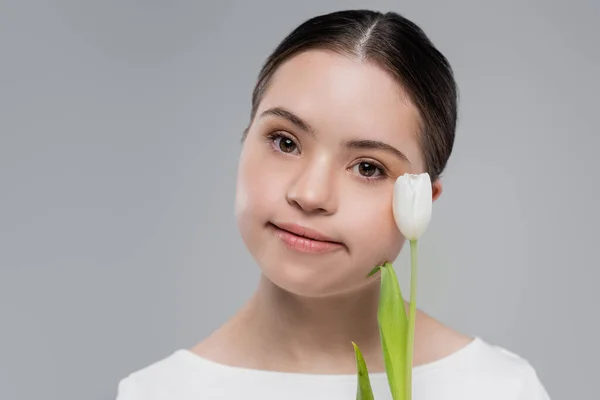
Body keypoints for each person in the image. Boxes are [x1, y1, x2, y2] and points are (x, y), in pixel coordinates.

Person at [115, 9, 551, 400]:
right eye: (285, 141)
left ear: (422, 201)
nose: (310, 195)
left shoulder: (499, 389)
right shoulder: (155, 392)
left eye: (367, 168)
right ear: (245, 138)